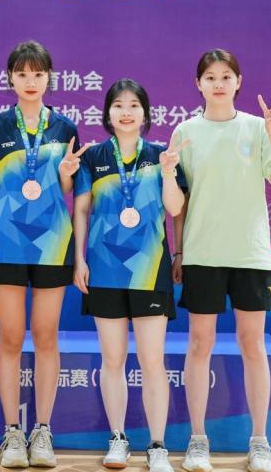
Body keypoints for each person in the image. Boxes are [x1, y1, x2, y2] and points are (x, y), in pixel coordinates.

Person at [172, 49, 271, 472]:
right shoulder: (185, 132)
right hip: (203, 254)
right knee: (199, 343)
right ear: (198, 84)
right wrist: (180, 252)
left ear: (239, 82)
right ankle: (197, 440)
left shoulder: (259, 127)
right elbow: (178, 203)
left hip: (250, 254)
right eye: (210, 77)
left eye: (226, 76)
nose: (219, 83)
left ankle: (260, 442)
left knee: (252, 344)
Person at [0, 40, 88, 469]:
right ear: (10, 78)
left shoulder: (65, 127)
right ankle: (11, 432)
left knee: (45, 336)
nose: (30, 81)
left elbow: (68, 192)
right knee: (9, 336)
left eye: (38, 74)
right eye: (22, 74)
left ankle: (42, 430)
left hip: (52, 244)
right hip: (5, 243)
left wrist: (64, 175)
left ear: (49, 78)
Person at [72, 79, 187, 472]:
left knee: (152, 361)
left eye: (134, 105)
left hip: (149, 272)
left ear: (145, 114)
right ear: (107, 113)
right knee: (113, 359)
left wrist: (169, 173)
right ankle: (118, 438)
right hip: (103, 271)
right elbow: (82, 209)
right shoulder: (94, 157)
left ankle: (157, 445)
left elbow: (175, 209)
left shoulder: (160, 156)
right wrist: (79, 259)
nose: (126, 112)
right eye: (118, 105)